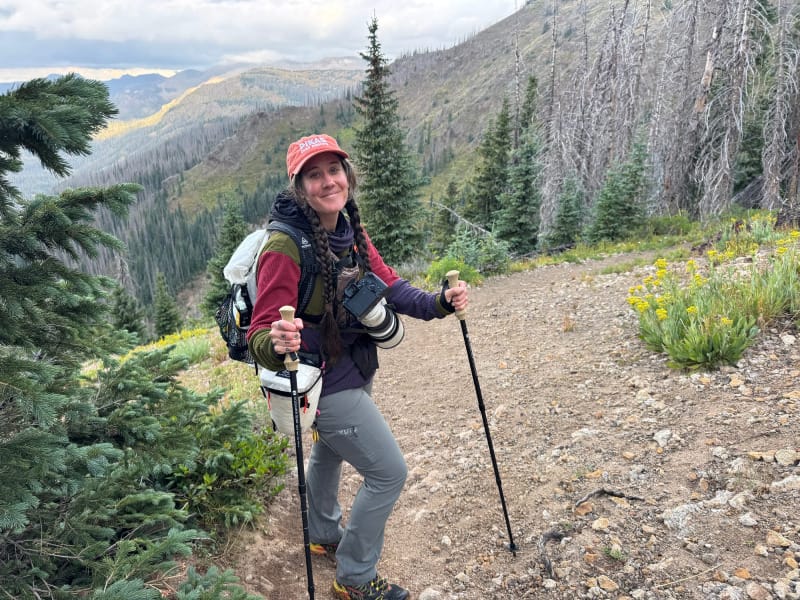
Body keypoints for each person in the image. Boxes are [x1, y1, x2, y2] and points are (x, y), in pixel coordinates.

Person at [247, 133, 468, 600]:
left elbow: (388, 285)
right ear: (299, 187)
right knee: (389, 472)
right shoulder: (285, 247)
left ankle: (323, 532)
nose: (329, 181)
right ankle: (355, 578)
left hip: (352, 367)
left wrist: (438, 303)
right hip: (321, 381)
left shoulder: (350, 230)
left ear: (348, 175)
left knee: (328, 451)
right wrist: (276, 340)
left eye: (335, 169)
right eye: (314, 174)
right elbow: (260, 332)